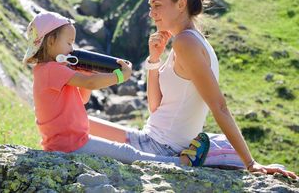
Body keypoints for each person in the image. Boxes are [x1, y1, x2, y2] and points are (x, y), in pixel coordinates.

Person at [87, 0, 298, 179]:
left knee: (68, 133)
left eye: (157, 5)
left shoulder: (186, 43)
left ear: (181, 4)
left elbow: (220, 106)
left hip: (161, 147)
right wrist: (154, 59)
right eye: (150, 6)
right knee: (76, 122)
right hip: (150, 137)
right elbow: (155, 107)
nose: (152, 13)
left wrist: (251, 164)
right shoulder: (189, 41)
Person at [23, 11, 210, 166]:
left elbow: (82, 99)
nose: (73, 49)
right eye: (69, 43)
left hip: (68, 141)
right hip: (70, 144)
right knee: (126, 152)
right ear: (50, 42)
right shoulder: (52, 69)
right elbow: (91, 84)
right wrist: (120, 76)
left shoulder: (48, 70)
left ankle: (173, 161)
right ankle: (180, 163)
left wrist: (87, 73)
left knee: (125, 151)